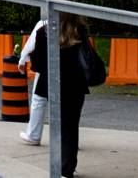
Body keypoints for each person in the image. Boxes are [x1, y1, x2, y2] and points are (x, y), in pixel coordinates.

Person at [25, 15, 95, 175]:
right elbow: (86, 55)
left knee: (59, 125)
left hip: (54, 84)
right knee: (71, 126)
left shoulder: (44, 32)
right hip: (76, 84)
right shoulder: (80, 31)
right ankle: (68, 166)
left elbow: (38, 64)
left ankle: (60, 166)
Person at [18, 13, 50, 145]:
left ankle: (33, 135)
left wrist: (22, 60)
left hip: (46, 69)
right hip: (71, 71)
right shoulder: (77, 27)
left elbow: (31, 44)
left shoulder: (44, 25)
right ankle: (69, 139)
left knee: (39, 100)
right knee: (67, 104)